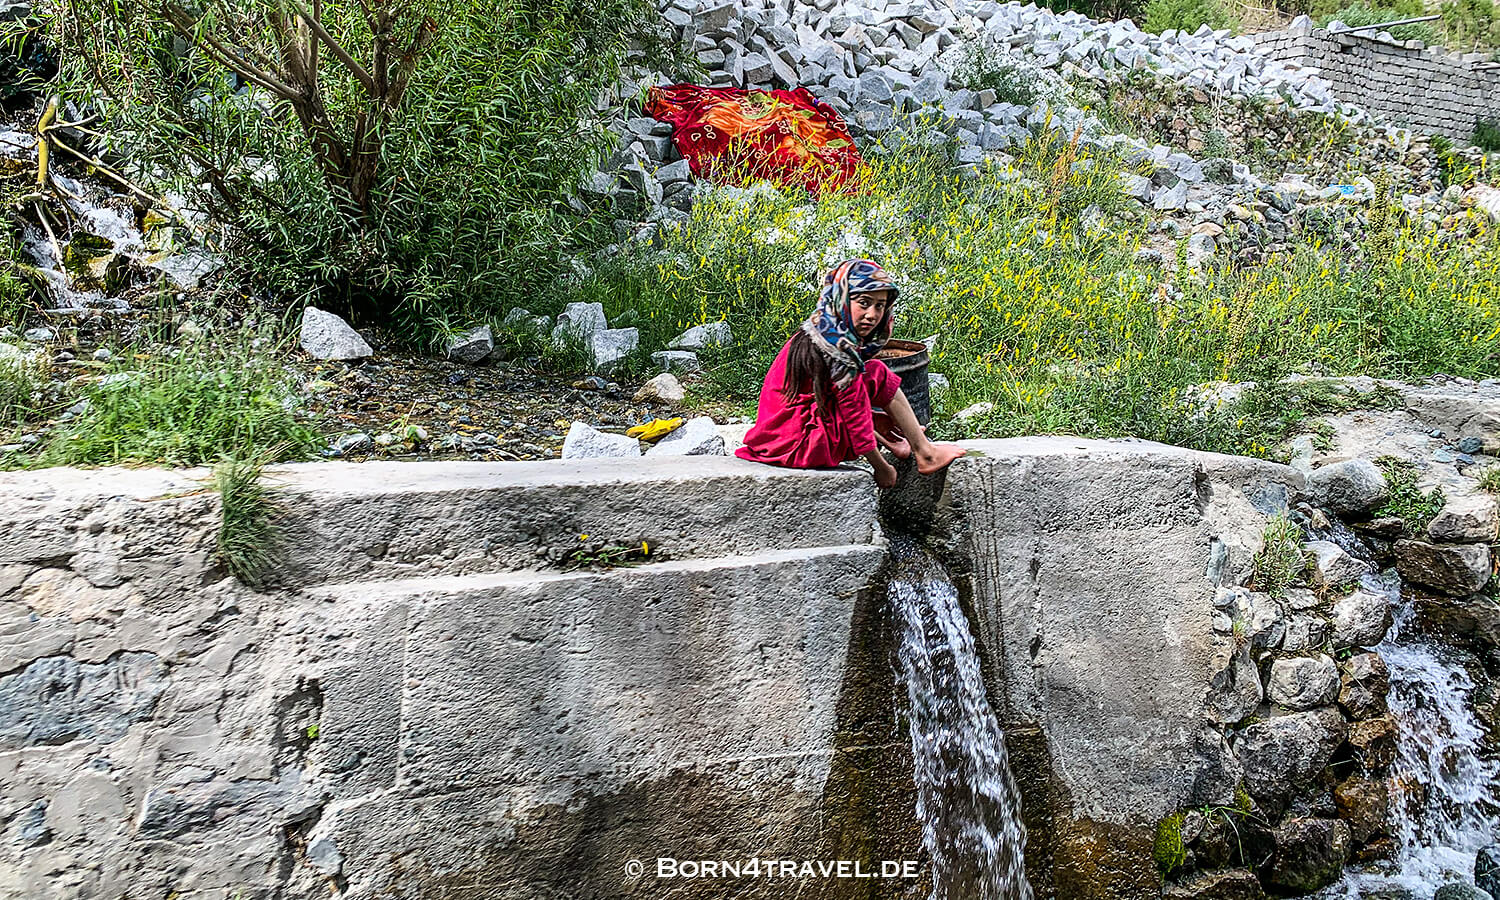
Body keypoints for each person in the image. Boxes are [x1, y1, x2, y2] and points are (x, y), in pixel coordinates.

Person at [734, 258, 967, 488]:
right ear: (842, 298)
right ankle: (926, 453)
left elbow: (838, 399)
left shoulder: (823, 328)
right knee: (876, 376)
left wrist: (878, 423)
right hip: (798, 445)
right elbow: (853, 417)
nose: (872, 314)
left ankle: (898, 442)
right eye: (864, 303)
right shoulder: (839, 349)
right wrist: (882, 468)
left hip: (781, 437)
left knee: (870, 375)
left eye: (880, 306)